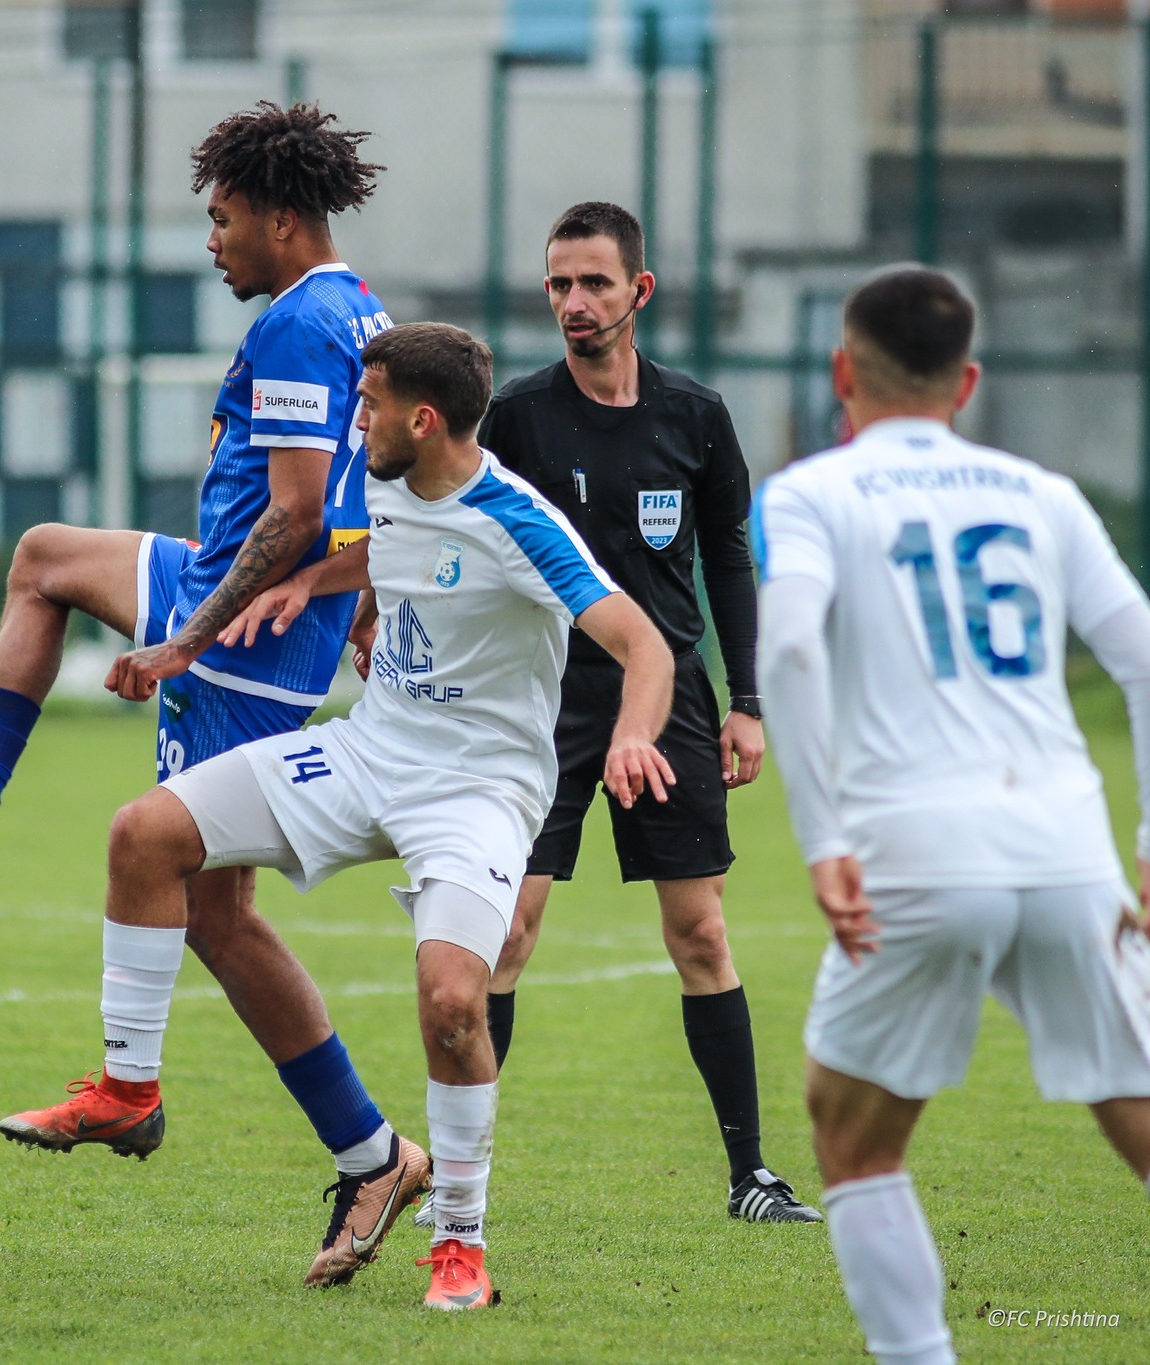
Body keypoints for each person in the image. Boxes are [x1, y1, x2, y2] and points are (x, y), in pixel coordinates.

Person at [1, 324, 675, 1308]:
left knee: (452, 1003)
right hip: (367, 753)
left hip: (478, 790)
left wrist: (632, 736)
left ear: (423, 417)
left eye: (368, 405)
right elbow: (380, 551)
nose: (354, 418)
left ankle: (459, 1246)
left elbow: (641, 644)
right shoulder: (387, 477)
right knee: (143, 835)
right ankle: (127, 1091)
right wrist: (319, 588)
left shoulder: (518, 522)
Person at [0, 101, 420, 1283]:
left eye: (222, 218)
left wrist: (188, 640)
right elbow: (360, 483)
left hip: (239, 630)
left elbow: (290, 504)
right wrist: (360, 586)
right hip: (240, 591)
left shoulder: (296, 325)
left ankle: (141, 1093)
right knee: (41, 560)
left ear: (282, 220)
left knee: (206, 906)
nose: (211, 240)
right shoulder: (351, 306)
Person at [757, 266, 1150, 1365]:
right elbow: (1142, 655)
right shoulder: (1041, 494)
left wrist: (823, 838)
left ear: (842, 374)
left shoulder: (808, 492)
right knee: (1135, 1107)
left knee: (850, 1135)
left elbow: (786, 647)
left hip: (914, 857)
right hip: (1068, 851)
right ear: (965, 381)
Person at [475, 201, 817, 1222]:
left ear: (639, 291)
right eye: (556, 284)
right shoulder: (518, 419)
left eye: (591, 283)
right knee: (507, 930)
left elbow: (727, 559)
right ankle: (459, 1187)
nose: (572, 302)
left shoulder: (694, 416)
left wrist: (745, 702)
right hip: (542, 700)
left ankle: (748, 1175)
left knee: (699, 933)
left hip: (665, 696)